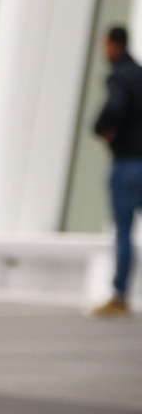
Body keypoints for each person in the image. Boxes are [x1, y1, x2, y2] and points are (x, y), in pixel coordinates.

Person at [91, 24, 142, 318]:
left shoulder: (119, 77)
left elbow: (113, 109)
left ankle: (120, 296)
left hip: (127, 163)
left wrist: (103, 128)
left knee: (124, 232)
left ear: (113, 45)